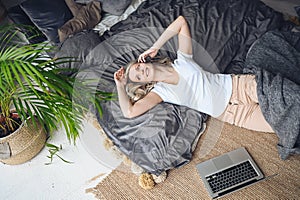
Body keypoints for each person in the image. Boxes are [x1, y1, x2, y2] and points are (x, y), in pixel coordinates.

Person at [114, 15, 274, 133]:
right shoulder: (160, 93)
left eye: (138, 68)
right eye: (139, 77)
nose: (142, 71)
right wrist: (120, 85)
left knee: (284, 99)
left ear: (143, 62)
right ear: (144, 84)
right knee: (283, 126)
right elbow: (129, 112)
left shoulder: (182, 60)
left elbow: (181, 22)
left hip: (239, 87)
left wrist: (155, 46)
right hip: (234, 115)